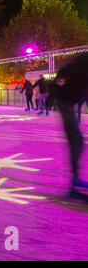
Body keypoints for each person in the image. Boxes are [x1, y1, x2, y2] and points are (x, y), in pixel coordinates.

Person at [51, 54, 88, 198]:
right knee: (76, 141)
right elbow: (61, 75)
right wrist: (58, 89)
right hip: (64, 102)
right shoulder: (82, 62)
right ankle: (74, 182)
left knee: (78, 141)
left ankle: (75, 179)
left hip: (68, 101)